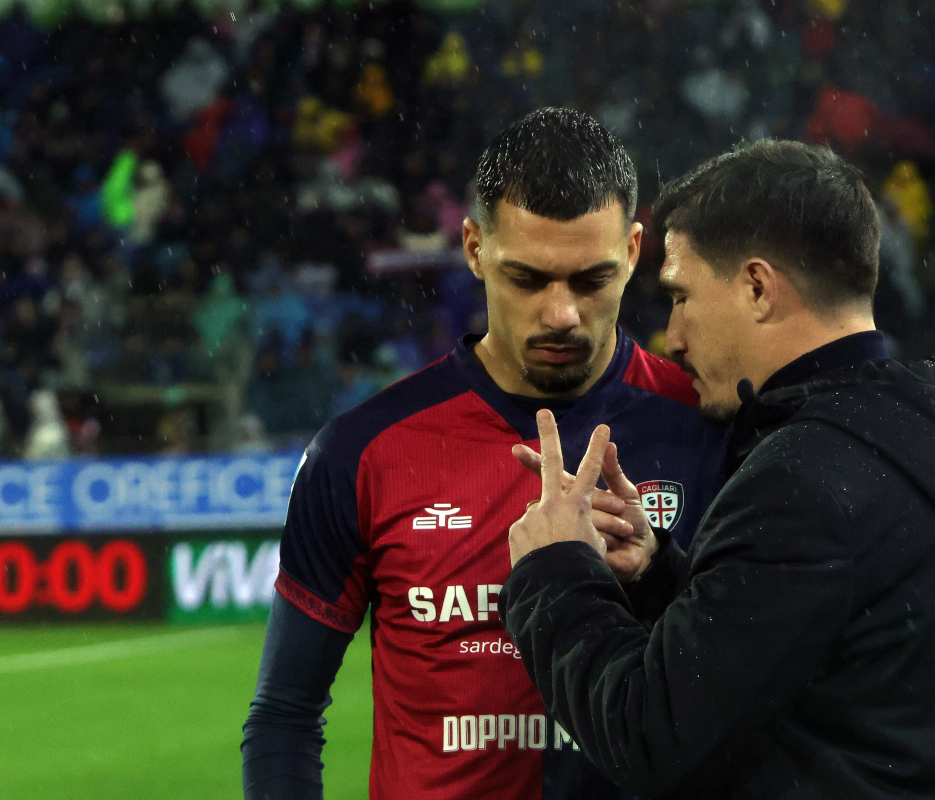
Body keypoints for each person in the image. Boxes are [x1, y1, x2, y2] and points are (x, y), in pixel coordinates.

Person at [501, 140, 935, 799]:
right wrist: (662, 577)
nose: (673, 337)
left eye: (682, 296)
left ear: (756, 287)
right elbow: (824, 656)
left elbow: (651, 738)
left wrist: (555, 573)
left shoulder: (803, 480)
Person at [241, 108, 726, 799]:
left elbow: (766, 688)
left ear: (633, 251)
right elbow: (284, 715)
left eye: (590, 280)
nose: (561, 314)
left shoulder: (710, 424)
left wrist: (657, 575)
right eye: (527, 279)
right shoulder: (363, 453)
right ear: (473, 248)